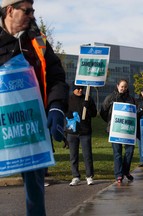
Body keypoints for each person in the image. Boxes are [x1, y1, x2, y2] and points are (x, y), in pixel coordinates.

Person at [0, 0, 69, 215]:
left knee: (36, 192)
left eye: (33, 11)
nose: (32, 16)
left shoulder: (37, 42)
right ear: (10, 10)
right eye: (27, 11)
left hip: (32, 126)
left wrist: (57, 106)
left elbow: (56, 76)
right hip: (3, 125)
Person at [100, 79, 136, 183]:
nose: (123, 88)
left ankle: (126, 170)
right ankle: (119, 174)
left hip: (128, 130)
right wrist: (110, 122)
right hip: (115, 130)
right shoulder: (110, 98)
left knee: (130, 151)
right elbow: (103, 111)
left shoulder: (131, 99)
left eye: (125, 87)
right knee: (117, 153)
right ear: (117, 86)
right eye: (122, 86)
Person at [66, 83, 97, 186]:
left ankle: (89, 176)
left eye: (81, 89)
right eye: (78, 89)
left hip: (85, 131)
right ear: (73, 89)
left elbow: (94, 114)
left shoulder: (88, 99)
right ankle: (75, 176)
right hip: (72, 132)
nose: (80, 90)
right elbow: (63, 113)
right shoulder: (68, 99)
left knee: (87, 154)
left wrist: (88, 107)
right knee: (73, 155)